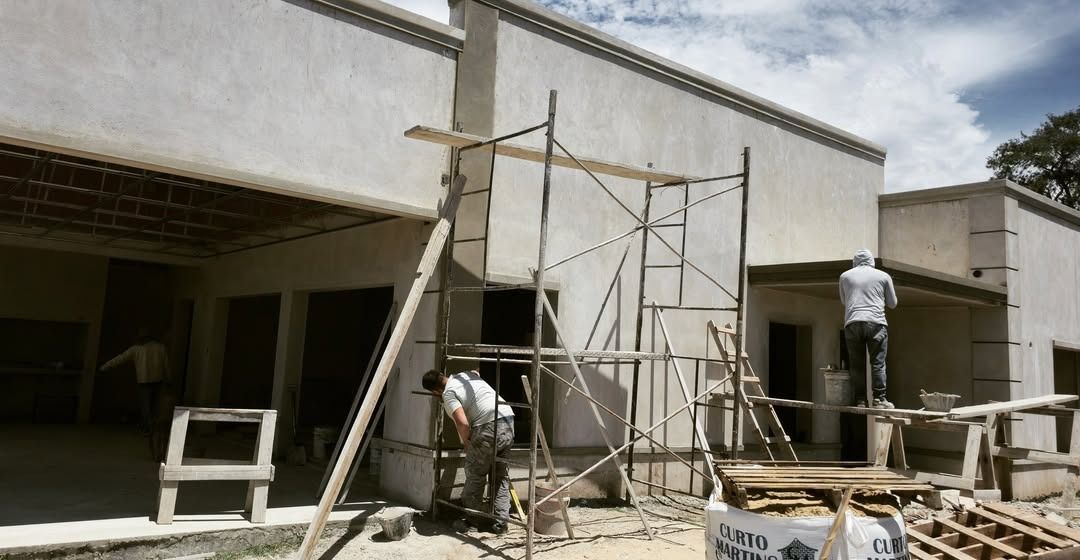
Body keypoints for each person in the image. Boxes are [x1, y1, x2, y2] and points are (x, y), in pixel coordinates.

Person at [422, 369, 514, 534]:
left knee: (475, 476)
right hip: (508, 420)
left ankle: (473, 521)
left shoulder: (449, 393)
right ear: (443, 375)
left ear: (436, 391)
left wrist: (467, 443)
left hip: (488, 427)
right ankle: (501, 523)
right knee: (500, 477)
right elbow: (476, 371)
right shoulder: (463, 376)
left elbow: (462, 423)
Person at [839, 249, 897, 409]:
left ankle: (860, 401)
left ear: (855, 261)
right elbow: (893, 303)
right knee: (878, 363)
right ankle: (879, 399)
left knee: (856, 364)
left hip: (852, 322)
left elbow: (844, 301)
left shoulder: (845, 276)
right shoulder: (883, 276)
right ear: (872, 260)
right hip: (876, 322)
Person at [101, 330, 170, 433]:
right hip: (158, 380)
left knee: (145, 405)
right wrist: (169, 378)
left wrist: (105, 366)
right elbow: (166, 365)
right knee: (155, 405)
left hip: (143, 380)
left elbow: (120, 358)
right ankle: (154, 426)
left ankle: (148, 427)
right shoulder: (161, 347)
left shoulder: (136, 349)